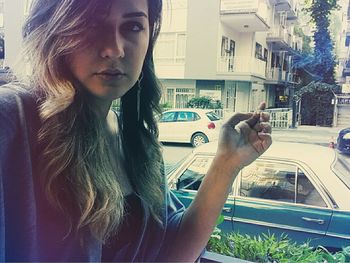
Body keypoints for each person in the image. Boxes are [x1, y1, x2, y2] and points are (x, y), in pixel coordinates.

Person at [0, 0, 272, 261]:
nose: (114, 49)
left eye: (133, 27)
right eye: (91, 24)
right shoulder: (12, 119)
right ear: (54, 29)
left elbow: (170, 254)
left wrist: (226, 163)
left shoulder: (135, 139)